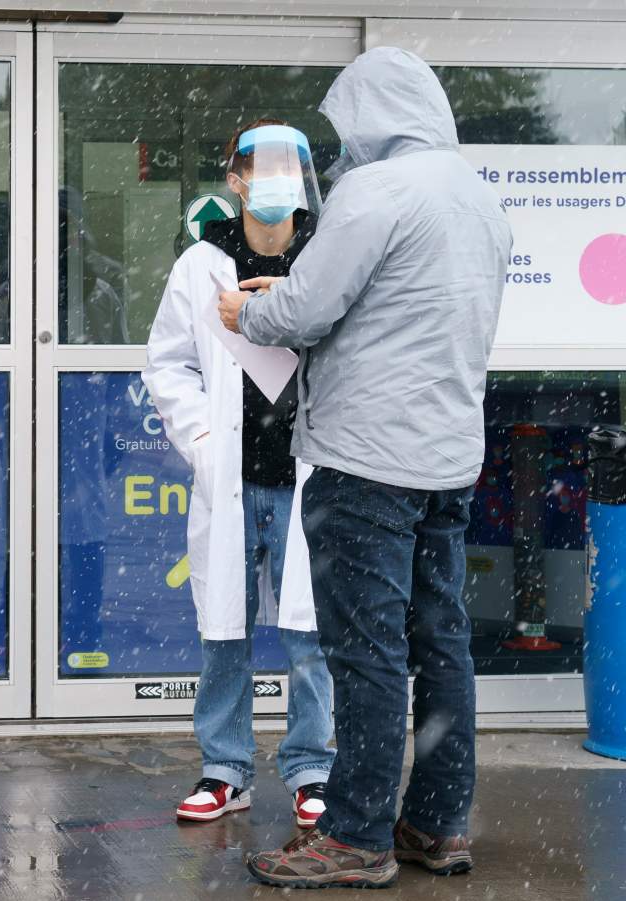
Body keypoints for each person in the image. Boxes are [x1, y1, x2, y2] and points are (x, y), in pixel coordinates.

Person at [217, 48, 512, 889]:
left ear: (375, 114)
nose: (342, 145)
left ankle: (353, 836)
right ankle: (437, 822)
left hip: (367, 460)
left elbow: (305, 309)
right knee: (440, 639)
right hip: (447, 458)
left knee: (369, 649)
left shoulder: (376, 192)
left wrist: (251, 307)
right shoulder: (478, 198)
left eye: (349, 124)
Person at [143, 119, 335, 831]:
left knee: (311, 635)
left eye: (292, 166)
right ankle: (225, 769)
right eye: (262, 167)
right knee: (224, 629)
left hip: (310, 472)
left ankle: (313, 768)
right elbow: (167, 361)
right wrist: (200, 437)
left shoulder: (328, 258)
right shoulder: (201, 265)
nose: (277, 180)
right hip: (232, 474)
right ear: (236, 180)